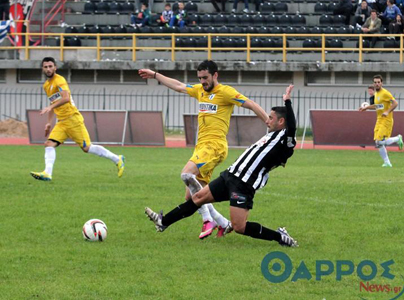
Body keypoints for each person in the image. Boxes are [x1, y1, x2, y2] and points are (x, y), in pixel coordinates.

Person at [144, 85, 298, 248]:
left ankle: (279, 236)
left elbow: (292, 127)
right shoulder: (272, 134)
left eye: (271, 118)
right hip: (230, 175)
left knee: (239, 227)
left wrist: (287, 102)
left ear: (281, 121)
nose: (268, 120)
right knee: (197, 198)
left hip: (244, 183)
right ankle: (164, 222)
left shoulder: (286, 139)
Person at [138, 60, 269, 239]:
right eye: (200, 78)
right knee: (191, 197)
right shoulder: (200, 90)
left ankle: (208, 220)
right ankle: (223, 223)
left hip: (214, 147)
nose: (202, 82)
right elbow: (178, 86)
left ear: (215, 75)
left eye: (205, 78)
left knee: (186, 174)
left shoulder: (225, 92)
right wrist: (155, 75)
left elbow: (251, 104)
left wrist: (269, 122)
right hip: (201, 148)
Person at [30, 57, 125, 181]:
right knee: (49, 144)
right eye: (46, 67)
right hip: (62, 122)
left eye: (50, 66)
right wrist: (48, 123)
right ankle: (47, 173)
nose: (48, 69)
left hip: (73, 119)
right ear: (42, 69)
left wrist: (50, 107)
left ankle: (117, 159)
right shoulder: (46, 86)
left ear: (55, 67)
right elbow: (54, 104)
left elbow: (65, 98)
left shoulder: (60, 80)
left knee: (87, 148)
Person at [359, 75, 404, 167]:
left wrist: (387, 112)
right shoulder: (376, 95)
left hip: (386, 120)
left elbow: (395, 103)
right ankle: (387, 162)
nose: (377, 84)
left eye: (378, 82)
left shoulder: (385, 93)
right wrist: (366, 108)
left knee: (379, 141)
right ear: (373, 84)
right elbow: (377, 106)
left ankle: (397, 138)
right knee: (378, 142)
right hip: (379, 119)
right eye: (375, 82)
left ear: (381, 83)